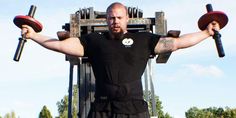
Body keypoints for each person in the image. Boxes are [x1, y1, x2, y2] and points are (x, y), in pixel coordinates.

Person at [21, 2, 220, 118]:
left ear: (126, 19)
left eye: (119, 17)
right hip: (102, 109)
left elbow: (177, 43)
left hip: (134, 109)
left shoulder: (143, 39)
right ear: (106, 20)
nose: (115, 21)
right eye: (111, 18)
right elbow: (60, 45)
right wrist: (33, 36)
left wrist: (205, 32)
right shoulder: (94, 41)